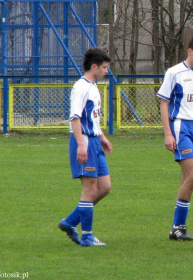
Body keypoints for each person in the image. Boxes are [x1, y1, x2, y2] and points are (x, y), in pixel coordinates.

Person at [157, 35, 193, 241]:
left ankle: (177, 228)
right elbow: (164, 103)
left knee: (187, 178)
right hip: (181, 127)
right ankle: (177, 226)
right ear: (189, 51)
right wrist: (168, 133)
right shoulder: (174, 72)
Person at [58, 47, 113, 246]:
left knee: (104, 187)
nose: (107, 71)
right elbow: (75, 118)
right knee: (89, 190)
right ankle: (88, 236)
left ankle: (70, 221)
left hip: (95, 141)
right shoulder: (81, 87)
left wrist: (102, 137)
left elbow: (93, 118)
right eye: (105, 67)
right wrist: (81, 145)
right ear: (94, 66)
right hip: (85, 143)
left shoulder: (94, 86)